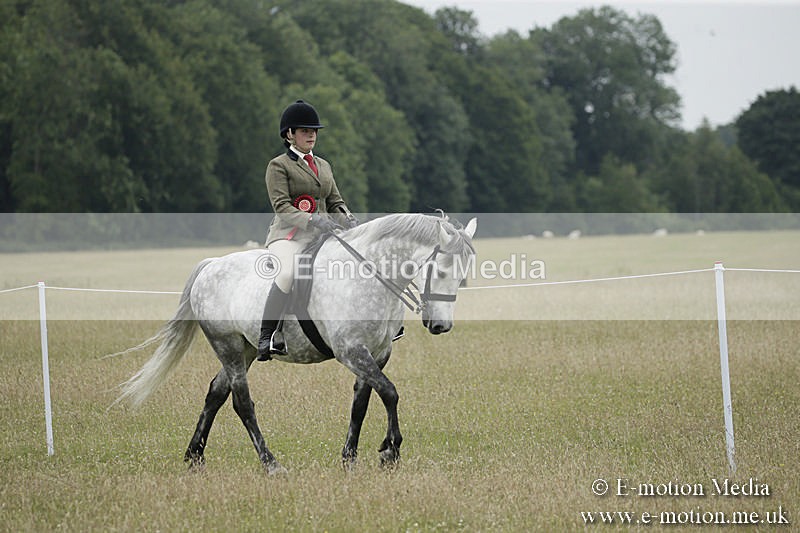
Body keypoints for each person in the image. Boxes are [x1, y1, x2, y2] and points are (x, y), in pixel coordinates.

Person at [257, 100, 358, 360]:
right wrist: (312, 221)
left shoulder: (323, 165)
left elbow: (335, 201)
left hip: (324, 235)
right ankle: (268, 335)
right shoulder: (278, 166)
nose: (311, 134)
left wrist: (348, 219)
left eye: (314, 130)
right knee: (288, 272)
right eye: (304, 130)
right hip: (289, 235)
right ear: (289, 134)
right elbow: (282, 207)